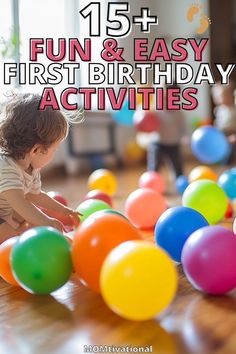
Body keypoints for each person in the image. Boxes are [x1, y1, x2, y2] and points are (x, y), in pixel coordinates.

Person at [0, 92, 82, 242]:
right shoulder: (6, 168)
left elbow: (34, 194)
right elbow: (21, 204)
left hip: (5, 213)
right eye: (54, 150)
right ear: (36, 150)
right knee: (25, 225)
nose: (54, 154)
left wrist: (64, 211)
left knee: (28, 221)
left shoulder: (30, 166)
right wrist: (48, 223)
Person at [147, 84, 189, 178]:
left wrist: (185, 137)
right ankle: (152, 179)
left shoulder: (178, 112)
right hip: (157, 143)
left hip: (173, 143)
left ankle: (179, 179)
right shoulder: (155, 111)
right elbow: (147, 122)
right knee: (154, 165)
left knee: (178, 166)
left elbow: (183, 127)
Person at [211, 81, 236, 164]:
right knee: (223, 152)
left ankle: (229, 164)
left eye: (221, 96)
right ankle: (223, 163)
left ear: (230, 95)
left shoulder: (233, 109)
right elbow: (218, 122)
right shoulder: (218, 109)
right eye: (216, 97)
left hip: (232, 133)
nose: (218, 99)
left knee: (230, 152)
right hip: (222, 133)